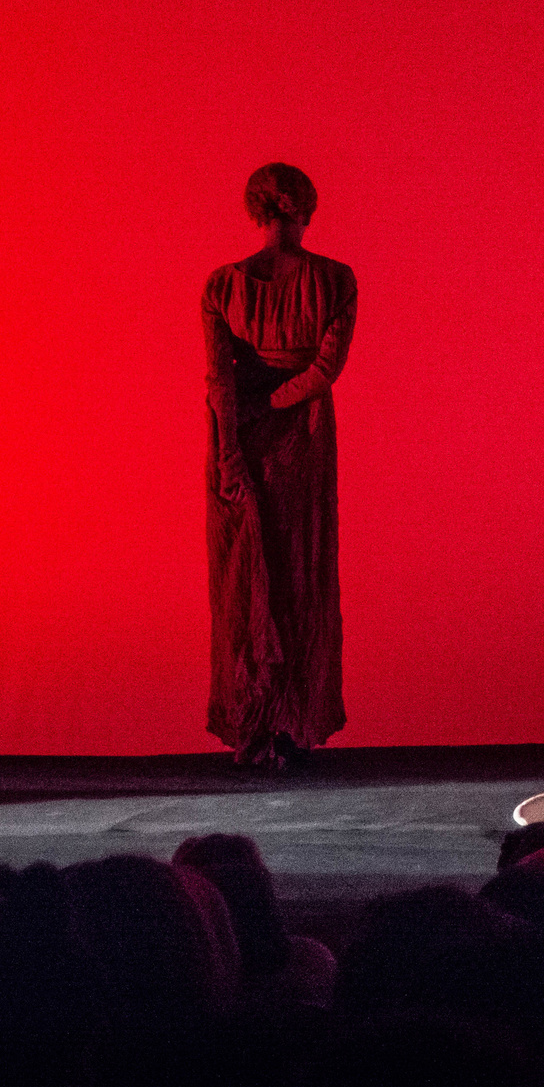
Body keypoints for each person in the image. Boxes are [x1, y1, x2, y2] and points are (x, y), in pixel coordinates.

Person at [204, 163, 357, 771]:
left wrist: (232, 439)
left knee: (245, 574)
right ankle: (289, 724)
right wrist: (274, 404)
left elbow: (219, 377)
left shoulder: (223, 285)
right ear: (307, 208)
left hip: (239, 427)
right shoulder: (335, 279)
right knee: (298, 568)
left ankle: (257, 723)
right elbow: (323, 371)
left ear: (254, 210)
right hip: (301, 429)